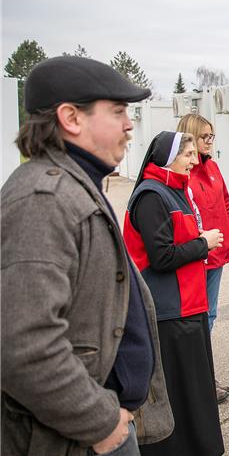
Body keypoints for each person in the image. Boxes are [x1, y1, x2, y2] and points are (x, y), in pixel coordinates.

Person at [1, 56, 173, 455]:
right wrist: (99, 420)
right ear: (71, 118)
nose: (130, 124)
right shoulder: (43, 201)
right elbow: (24, 346)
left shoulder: (76, 186)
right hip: (79, 436)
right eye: (117, 111)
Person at [123, 131, 225, 456]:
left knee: (193, 389)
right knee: (179, 392)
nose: (195, 161)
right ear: (168, 158)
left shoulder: (173, 190)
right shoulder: (152, 196)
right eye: (188, 155)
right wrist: (203, 243)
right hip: (169, 312)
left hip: (188, 306)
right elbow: (162, 257)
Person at [176, 113, 229, 403]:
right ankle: (197, 380)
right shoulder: (184, 173)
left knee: (209, 316)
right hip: (196, 257)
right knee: (195, 319)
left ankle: (203, 375)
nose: (210, 142)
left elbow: (223, 200)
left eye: (212, 136)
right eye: (205, 137)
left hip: (217, 254)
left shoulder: (212, 167)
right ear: (189, 136)